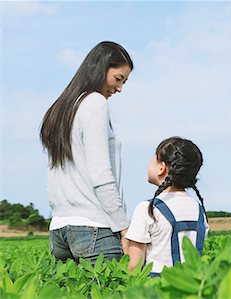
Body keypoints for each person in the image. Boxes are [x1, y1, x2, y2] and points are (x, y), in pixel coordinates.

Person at [40, 41, 133, 264]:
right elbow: (101, 176)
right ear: (100, 68)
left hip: (60, 229)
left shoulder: (62, 108)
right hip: (94, 228)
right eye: (118, 79)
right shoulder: (95, 103)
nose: (120, 88)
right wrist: (123, 226)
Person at [125, 137, 209, 277]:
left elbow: (134, 265)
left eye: (153, 158)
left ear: (161, 168)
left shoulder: (148, 209)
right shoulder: (198, 208)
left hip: (156, 288)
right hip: (191, 285)